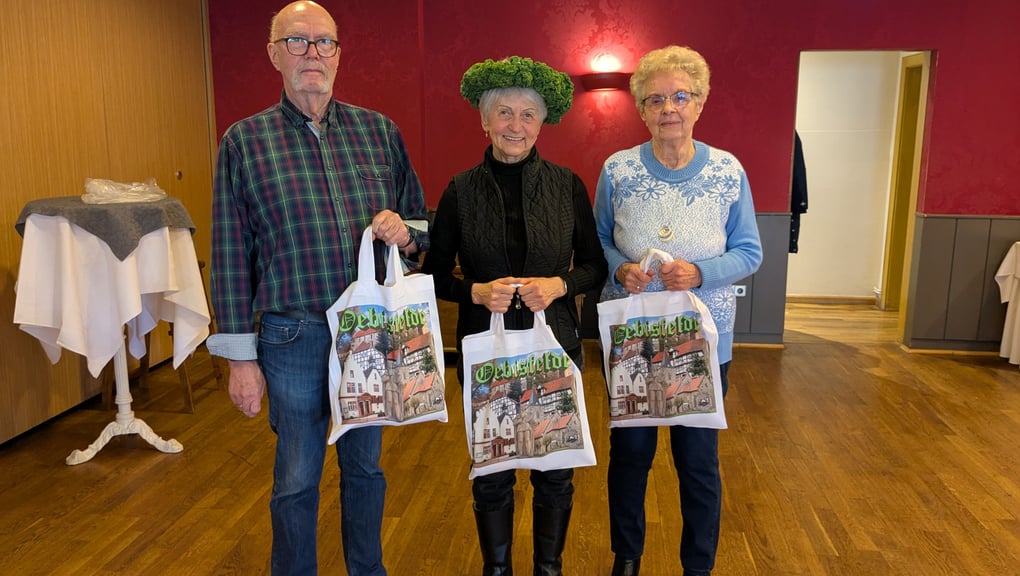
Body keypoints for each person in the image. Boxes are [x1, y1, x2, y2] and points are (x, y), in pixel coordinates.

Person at [207, 2, 428, 575]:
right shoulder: (243, 142)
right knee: (297, 478)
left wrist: (406, 233)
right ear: (274, 53)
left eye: (324, 42)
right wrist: (239, 361)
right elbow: (231, 255)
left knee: (366, 469)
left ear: (337, 53)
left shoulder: (379, 132)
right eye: (299, 41)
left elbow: (423, 225)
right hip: (292, 334)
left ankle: (367, 570)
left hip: (372, 335)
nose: (313, 54)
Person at [422, 56, 607, 576]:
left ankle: (549, 568)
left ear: (541, 123)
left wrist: (561, 284)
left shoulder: (567, 184)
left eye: (528, 115)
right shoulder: (460, 190)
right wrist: (475, 292)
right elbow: (434, 274)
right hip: (486, 345)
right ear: (484, 121)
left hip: (556, 344)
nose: (516, 125)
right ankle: (497, 570)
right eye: (504, 113)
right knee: (492, 468)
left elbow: (595, 265)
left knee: (554, 469)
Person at [593, 45, 763, 576]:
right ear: (641, 109)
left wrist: (702, 272)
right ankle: (627, 557)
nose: (669, 108)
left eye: (680, 97)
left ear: (700, 103)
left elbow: (751, 251)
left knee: (697, 463)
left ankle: (699, 565)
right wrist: (620, 267)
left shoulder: (728, 171)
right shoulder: (617, 170)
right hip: (633, 340)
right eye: (656, 99)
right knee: (631, 457)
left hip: (702, 342)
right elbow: (598, 238)